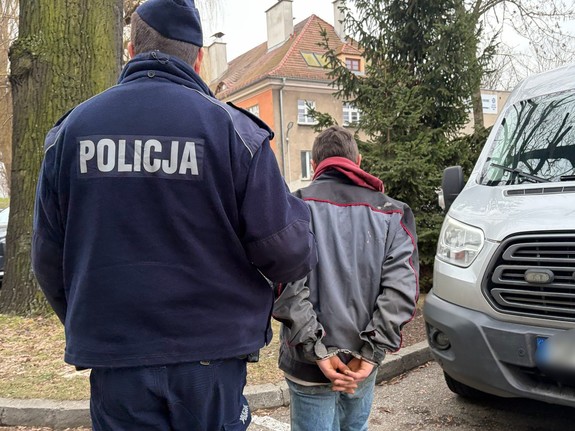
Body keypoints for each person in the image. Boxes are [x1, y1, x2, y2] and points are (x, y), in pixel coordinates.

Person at [31, 0, 317, 429]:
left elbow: (47, 260)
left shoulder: (71, 133)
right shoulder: (234, 133)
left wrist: (97, 321)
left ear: (132, 49)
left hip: (118, 361)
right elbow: (289, 253)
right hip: (210, 358)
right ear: (198, 59)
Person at [273, 126, 419, 431]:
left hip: (308, 362)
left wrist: (316, 350)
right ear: (358, 161)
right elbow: (401, 289)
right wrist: (371, 352)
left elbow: (286, 286)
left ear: (315, 164)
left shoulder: (293, 207)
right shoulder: (392, 213)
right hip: (360, 362)